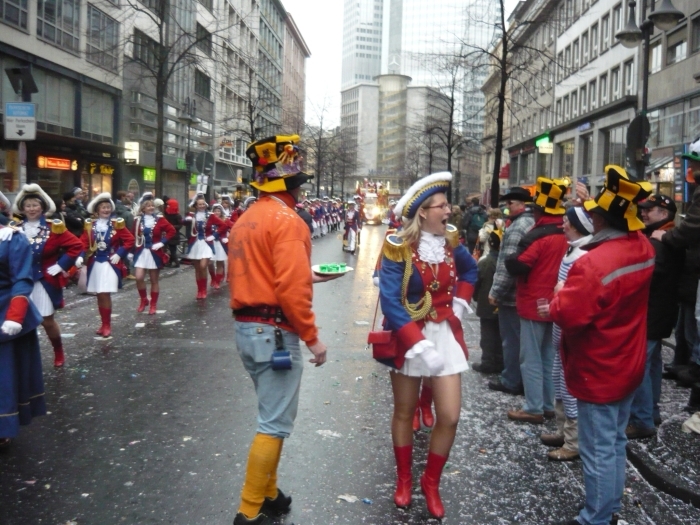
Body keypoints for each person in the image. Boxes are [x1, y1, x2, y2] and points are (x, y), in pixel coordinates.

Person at [229, 135, 342, 525]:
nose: (301, 190)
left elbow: (263, 273)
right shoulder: (289, 221)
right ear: (291, 185)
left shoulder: (247, 218)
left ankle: (269, 492)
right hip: (273, 332)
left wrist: (305, 276)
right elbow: (290, 289)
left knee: (270, 414)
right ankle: (248, 510)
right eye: (299, 182)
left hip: (248, 329)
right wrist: (312, 337)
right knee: (273, 423)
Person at [548, 166, 655, 525]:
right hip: (628, 360)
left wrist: (559, 293)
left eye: (593, 212)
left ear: (602, 219)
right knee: (614, 442)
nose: (589, 216)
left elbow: (567, 315)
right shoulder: (642, 247)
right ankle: (608, 506)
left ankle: (596, 516)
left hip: (599, 367)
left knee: (597, 449)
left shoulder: (593, 263)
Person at [378, 172, 478, 519]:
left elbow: (470, 272)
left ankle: (430, 482)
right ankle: (404, 478)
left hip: (444, 334)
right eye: (442, 206)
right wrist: (417, 344)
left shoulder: (451, 241)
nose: (449, 211)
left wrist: (461, 303)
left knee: (449, 415)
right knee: (405, 412)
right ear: (423, 212)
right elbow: (390, 301)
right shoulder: (397, 246)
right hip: (410, 336)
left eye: (448, 205)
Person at [504, 177, 569, 424]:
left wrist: (509, 257)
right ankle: (548, 404)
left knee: (530, 357)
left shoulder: (538, 235)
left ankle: (533, 407)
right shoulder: (565, 233)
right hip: (557, 301)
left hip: (534, 302)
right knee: (549, 356)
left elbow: (518, 264)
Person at [626, 194, 684, 439]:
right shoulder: (663, 237)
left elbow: (649, 276)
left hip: (651, 312)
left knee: (639, 366)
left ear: (664, 213)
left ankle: (642, 419)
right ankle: (651, 412)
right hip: (659, 312)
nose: (644, 213)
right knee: (651, 364)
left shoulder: (660, 240)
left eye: (649, 210)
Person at [540, 205, 594, 462]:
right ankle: (564, 431)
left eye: (566, 222)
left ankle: (574, 441)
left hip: (570, 327)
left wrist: (560, 295)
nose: (563, 225)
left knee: (568, 383)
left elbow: (578, 294)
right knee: (559, 378)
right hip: (560, 325)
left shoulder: (584, 253)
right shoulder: (572, 249)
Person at [11, 184, 82, 367]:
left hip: (44, 281)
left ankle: (58, 351)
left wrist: (61, 265)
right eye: (28, 205)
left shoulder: (54, 228)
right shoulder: (15, 229)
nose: (31, 209)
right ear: (22, 208)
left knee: (47, 321)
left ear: (42, 207)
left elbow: (76, 246)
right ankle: (27, 358)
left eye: (35, 205)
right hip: (20, 282)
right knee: (21, 321)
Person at [652, 138, 700, 389]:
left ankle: (693, 373)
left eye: (694, 163)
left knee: (693, 327)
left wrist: (667, 237)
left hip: (695, 273)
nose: (690, 168)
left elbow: (690, 229)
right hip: (692, 273)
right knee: (687, 325)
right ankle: (684, 365)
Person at [0, 223, 46, 450]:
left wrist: (15, 316)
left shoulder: (11, 238)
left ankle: (3, 426)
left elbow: (22, 279)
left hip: (5, 312)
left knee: (4, 376)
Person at [487, 188, 535, 395]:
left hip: (512, 295)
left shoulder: (517, 227)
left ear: (522, 205)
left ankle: (511, 379)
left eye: (510, 204)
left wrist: (496, 291)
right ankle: (522, 379)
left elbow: (507, 262)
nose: (507, 208)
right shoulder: (531, 222)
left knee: (512, 340)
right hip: (524, 291)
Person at [79, 193, 135, 338]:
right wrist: (80, 256)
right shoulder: (90, 225)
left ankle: (107, 325)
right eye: (103, 207)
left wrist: (119, 253)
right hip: (95, 263)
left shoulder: (117, 224)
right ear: (97, 210)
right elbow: (83, 243)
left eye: (108, 207)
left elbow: (130, 240)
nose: (106, 210)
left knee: (104, 293)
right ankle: (103, 323)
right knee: (99, 294)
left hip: (110, 263)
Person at [133, 193, 176, 315]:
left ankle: (153, 304)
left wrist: (162, 243)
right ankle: (143, 299)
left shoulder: (160, 219)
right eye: (148, 206)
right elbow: (132, 235)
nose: (151, 208)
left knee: (154, 280)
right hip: (141, 252)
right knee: (139, 277)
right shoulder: (137, 220)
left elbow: (171, 231)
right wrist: (131, 251)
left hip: (154, 253)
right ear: (143, 208)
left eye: (152, 205)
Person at [184, 193, 227, 300]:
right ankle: (200, 290)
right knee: (197, 269)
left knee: (203, 266)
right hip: (195, 244)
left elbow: (223, 225)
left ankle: (204, 289)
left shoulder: (210, 216)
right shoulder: (192, 215)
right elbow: (182, 222)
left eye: (203, 204)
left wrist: (214, 235)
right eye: (200, 204)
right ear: (196, 206)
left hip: (207, 243)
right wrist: (186, 219)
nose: (202, 206)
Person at [472, 229, 504, 374]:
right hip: (502, 304)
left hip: (486, 304)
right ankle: (500, 361)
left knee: (487, 335)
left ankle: (488, 362)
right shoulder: (503, 262)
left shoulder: (485, 262)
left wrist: (475, 296)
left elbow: (477, 281)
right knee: (501, 334)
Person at [208, 203, 234, 289]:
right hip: (210, 243)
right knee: (210, 262)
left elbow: (234, 227)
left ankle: (217, 281)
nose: (216, 212)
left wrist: (228, 236)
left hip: (221, 244)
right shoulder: (209, 219)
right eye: (215, 211)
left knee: (219, 262)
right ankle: (213, 278)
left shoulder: (225, 220)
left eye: (218, 211)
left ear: (221, 212)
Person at [164, 199, 184, 268]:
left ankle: (176, 262)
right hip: (168, 235)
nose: (167, 206)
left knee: (172, 250)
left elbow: (180, 225)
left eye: (169, 205)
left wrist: (171, 227)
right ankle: (170, 262)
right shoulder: (167, 214)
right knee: (171, 249)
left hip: (174, 235)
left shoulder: (177, 216)